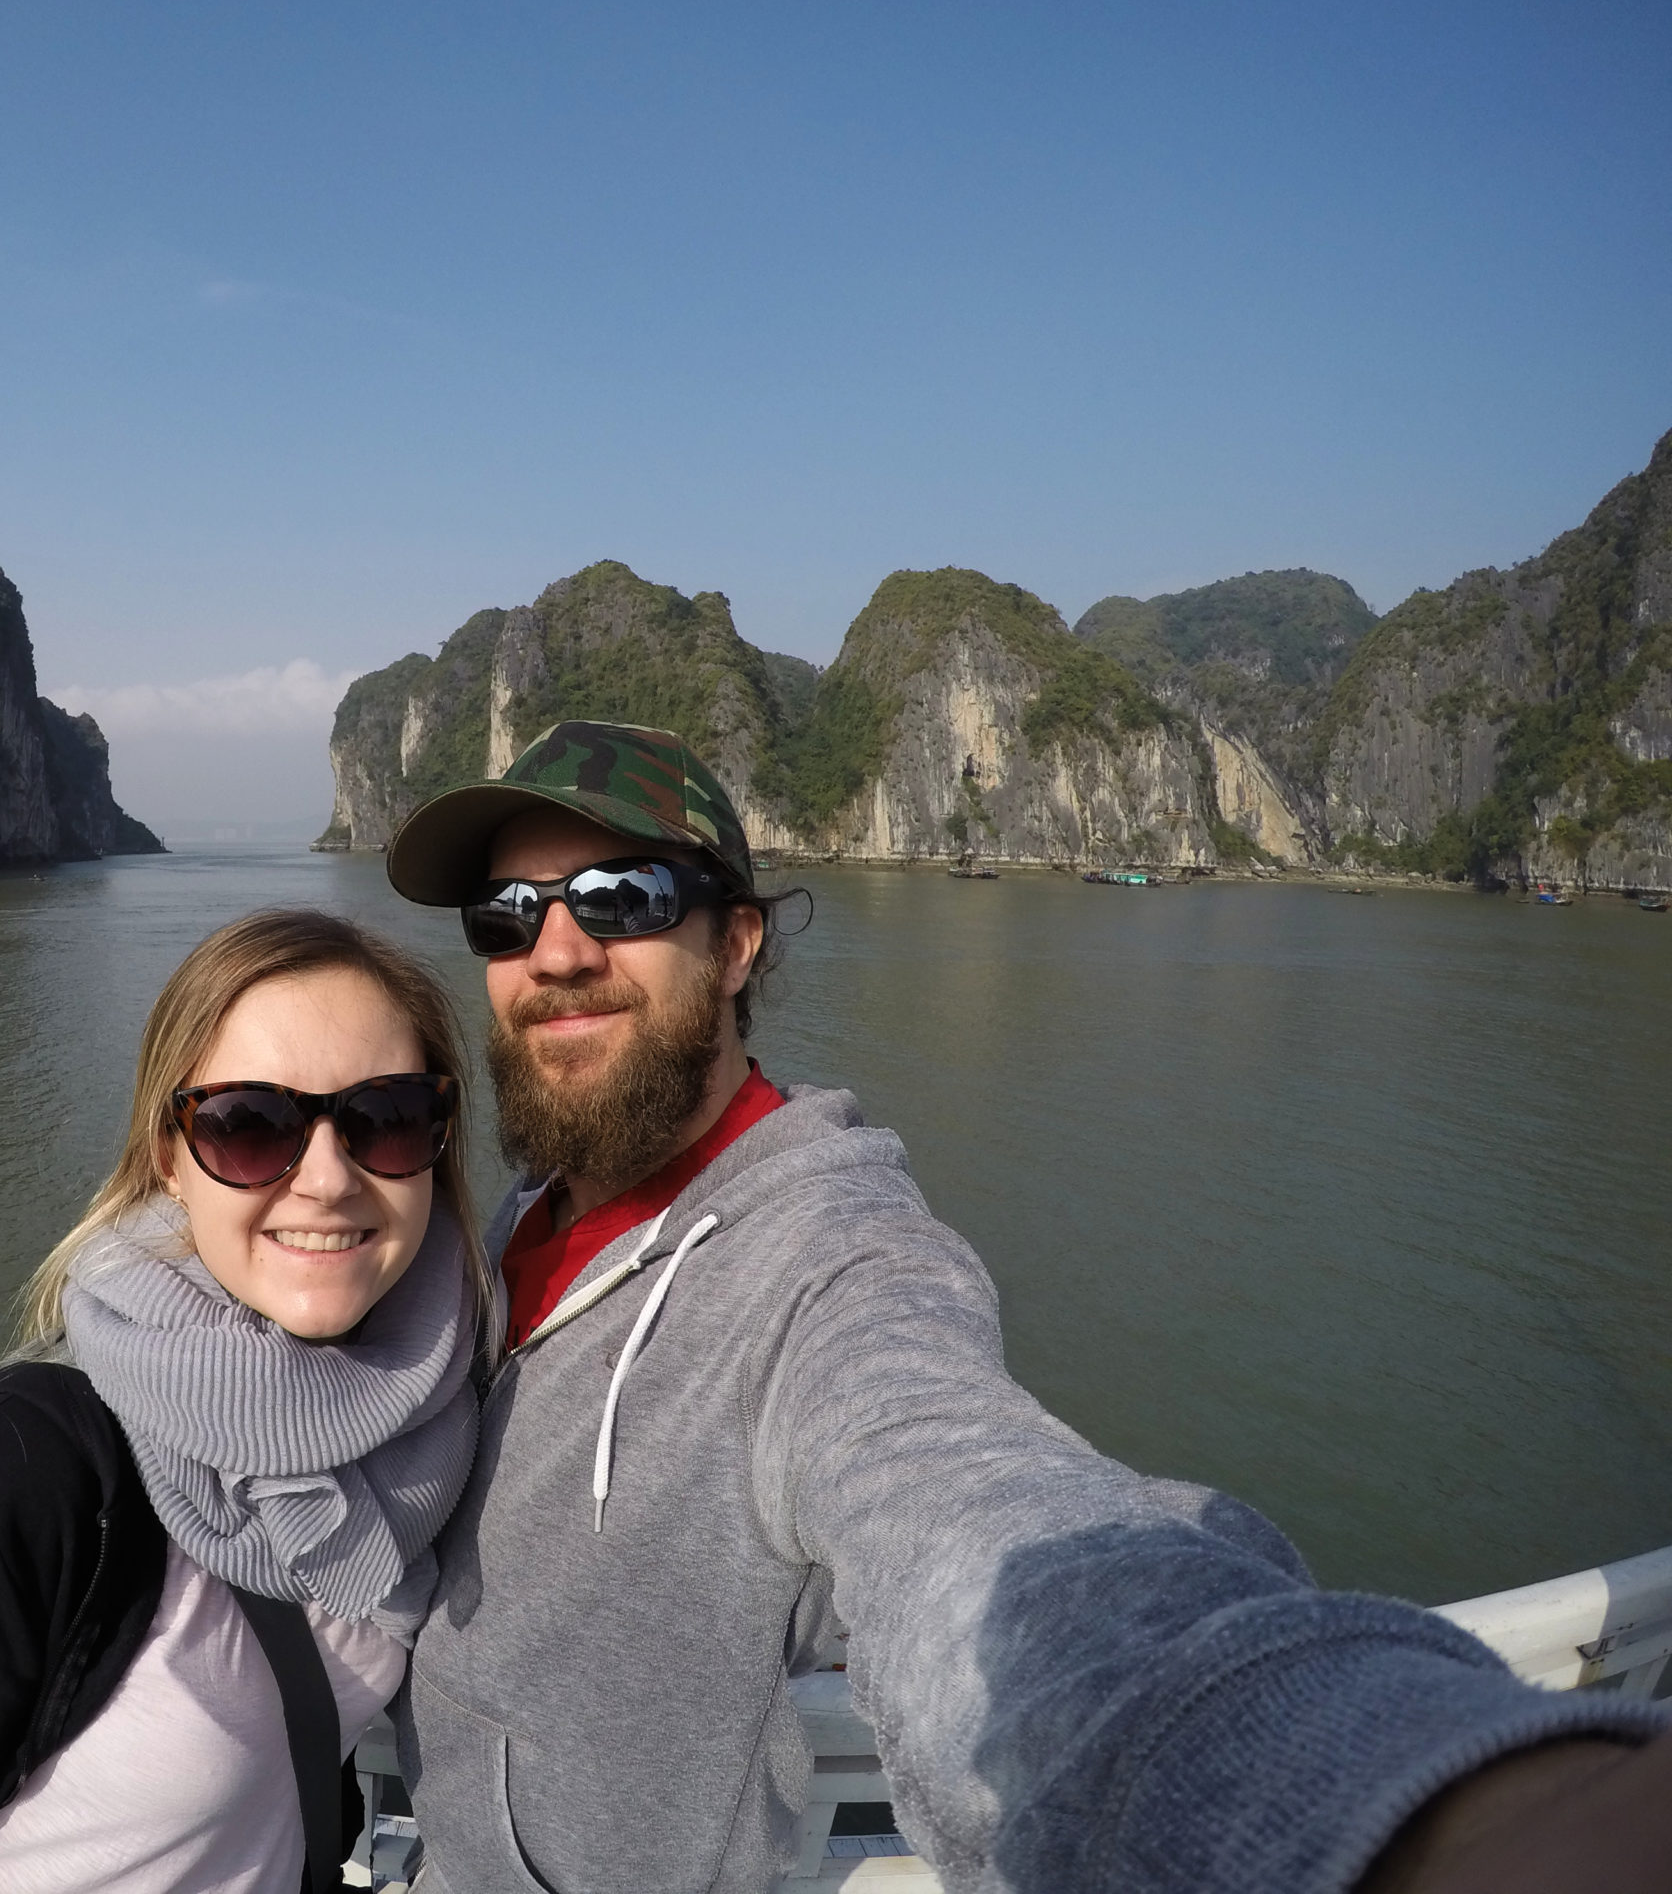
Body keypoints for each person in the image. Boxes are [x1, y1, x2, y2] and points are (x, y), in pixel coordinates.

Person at [383, 720, 1667, 1894]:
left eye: (623, 898)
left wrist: (1408, 1813)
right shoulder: (532, 1211)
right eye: (507, 915)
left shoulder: (833, 1265)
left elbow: (974, 1519)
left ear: (736, 942)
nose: (554, 950)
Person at [0, 909, 490, 1894]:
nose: (326, 1180)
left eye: (386, 1116)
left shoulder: (449, 1411)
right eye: (250, 1125)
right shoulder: (15, 1480)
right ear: (169, 1154)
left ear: (439, 1138)